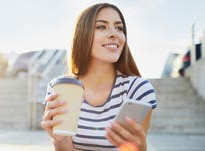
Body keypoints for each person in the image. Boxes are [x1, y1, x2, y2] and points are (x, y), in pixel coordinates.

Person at [41, 3, 157, 151]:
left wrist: (141, 147)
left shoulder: (138, 89)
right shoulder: (61, 88)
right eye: (101, 27)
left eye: (119, 28)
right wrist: (60, 141)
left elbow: (135, 147)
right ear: (83, 34)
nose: (114, 33)